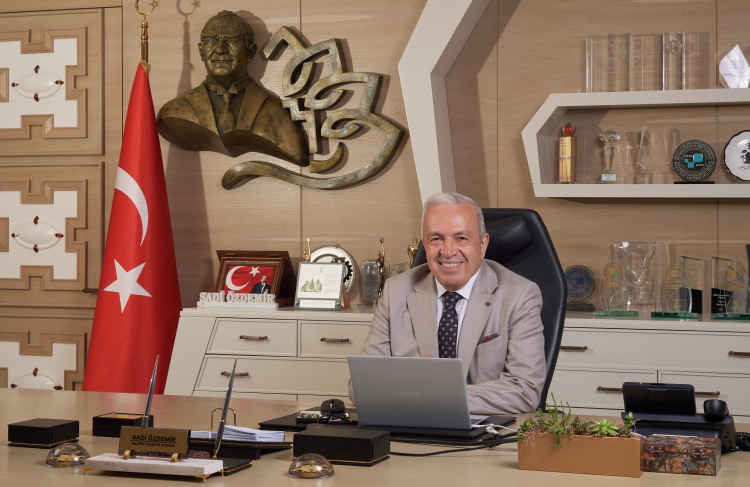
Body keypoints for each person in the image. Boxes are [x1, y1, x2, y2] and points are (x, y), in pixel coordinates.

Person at [348, 192, 546, 414]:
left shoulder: (520, 295)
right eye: (436, 239)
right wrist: (426, 396)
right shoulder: (395, 292)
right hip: (410, 425)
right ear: (425, 244)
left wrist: (434, 395)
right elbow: (361, 385)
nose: (448, 251)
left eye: (461, 238)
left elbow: (525, 390)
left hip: (485, 429)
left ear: (482, 245)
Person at [157, 10, 307, 164]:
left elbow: (295, 151)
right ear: (201, 52)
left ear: (250, 52)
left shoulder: (277, 114)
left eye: (232, 41)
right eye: (211, 41)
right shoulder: (175, 112)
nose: (220, 49)